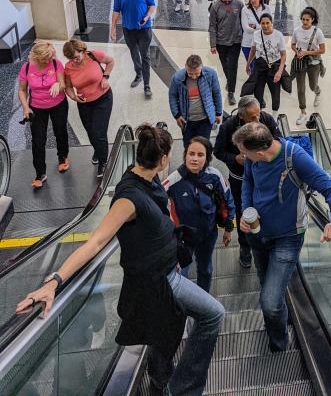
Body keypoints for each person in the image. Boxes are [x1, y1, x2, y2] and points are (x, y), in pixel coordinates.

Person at [16, 124, 225, 396]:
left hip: (165, 268)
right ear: (163, 160)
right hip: (161, 280)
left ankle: (160, 379)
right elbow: (96, 241)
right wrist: (54, 281)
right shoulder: (128, 199)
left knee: (163, 330)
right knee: (213, 315)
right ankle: (183, 388)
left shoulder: (145, 178)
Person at [236, 122, 331, 352]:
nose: (242, 156)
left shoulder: (295, 158)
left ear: (260, 153)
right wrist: (246, 210)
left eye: (244, 152)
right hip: (258, 235)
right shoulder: (252, 159)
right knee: (267, 287)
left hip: (288, 238)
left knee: (269, 302)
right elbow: (248, 181)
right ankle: (278, 322)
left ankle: (279, 344)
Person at [213, 96, 281, 268]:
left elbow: (279, 140)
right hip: (239, 178)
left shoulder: (266, 119)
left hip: (264, 176)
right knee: (243, 211)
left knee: (267, 207)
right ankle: (245, 247)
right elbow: (218, 151)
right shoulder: (228, 127)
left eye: (259, 114)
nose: (258, 119)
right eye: (253, 117)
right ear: (241, 116)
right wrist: (234, 158)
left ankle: (269, 240)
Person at [163, 136, 235, 292]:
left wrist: (229, 228)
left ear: (207, 158)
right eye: (191, 154)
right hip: (184, 238)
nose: (194, 159)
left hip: (208, 234)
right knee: (181, 273)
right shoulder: (174, 180)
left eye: (200, 155)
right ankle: (185, 302)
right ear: (185, 155)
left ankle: (204, 297)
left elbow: (228, 200)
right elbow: (155, 198)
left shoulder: (214, 176)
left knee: (205, 268)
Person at [18, 40, 69, 188]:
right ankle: (40, 173)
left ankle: (62, 157)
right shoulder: (27, 67)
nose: (47, 60)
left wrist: (58, 84)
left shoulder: (56, 63)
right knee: (38, 140)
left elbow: (63, 84)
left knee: (60, 132)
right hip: (37, 107)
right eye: (44, 58)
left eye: (49, 57)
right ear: (35, 56)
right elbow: (22, 90)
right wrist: (25, 107)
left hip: (58, 104)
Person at [63, 40, 114, 178]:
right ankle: (98, 150)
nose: (75, 60)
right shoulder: (68, 68)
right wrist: (74, 97)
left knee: (99, 132)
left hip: (103, 99)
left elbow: (111, 61)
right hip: (84, 104)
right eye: (71, 58)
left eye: (77, 56)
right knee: (91, 132)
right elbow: (68, 86)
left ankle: (103, 162)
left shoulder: (94, 55)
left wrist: (105, 77)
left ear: (82, 51)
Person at [111, 0, 155, 98]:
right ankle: (138, 74)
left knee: (145, 56)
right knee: (134, 53)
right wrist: (113, 28)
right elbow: (116, 10)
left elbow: (152, 4)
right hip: (128, 28)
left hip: (144, 28)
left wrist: (147, 16)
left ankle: (147, 85)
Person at [169, 54, 222, 144]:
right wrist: (177, 115)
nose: (194, 77)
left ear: (201, 66)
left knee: (203, 145)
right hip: (187, 121)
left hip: (205, 120)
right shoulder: (177, 78)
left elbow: (216, 93)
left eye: (197, 73)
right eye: (190, 73)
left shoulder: (211, 74)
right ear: (185, 66)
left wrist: (218, 113)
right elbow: (172, 96)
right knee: (188, 145)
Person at [209, 0, 244, 107]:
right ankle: (230, 82)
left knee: (232, 66)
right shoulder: (215, 7)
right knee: (225, 65)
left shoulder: (239, 4)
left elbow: (243, 21)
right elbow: (212, 26)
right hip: (221, 41)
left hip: (236, 40)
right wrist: (213, 44)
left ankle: (231, 92)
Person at [244, 14, 287, 112]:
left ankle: (275, 114)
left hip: (274, 65)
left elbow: (283, 55)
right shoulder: (256, 34)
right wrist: (248, 64)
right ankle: (259, 113)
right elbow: (253, 49)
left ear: (272, 23)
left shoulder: (278, 35)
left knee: (275, 92)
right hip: (260, 65)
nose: (265, 25)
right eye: (263, 23)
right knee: (257, 91)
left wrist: (279, 72)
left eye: (268, 23)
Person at [291, 7, 325, 126]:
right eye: (303, 19)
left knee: (312, 85)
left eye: (307, 20)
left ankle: (318, 92)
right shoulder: (297, 30)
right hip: (300, 62)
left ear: (312, 20)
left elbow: (322, 50)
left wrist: (307, 52)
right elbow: (293, 44)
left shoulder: (318, 32)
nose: (305, 22)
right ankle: (303, 112)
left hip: (313, 63)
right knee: (300, 88)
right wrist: (297, 51)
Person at [241, 0, 272, 72]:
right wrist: (262, 28)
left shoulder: (267, 8)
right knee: (252, 68)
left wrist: (255, 26)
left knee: (261, 68)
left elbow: (270, 26)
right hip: (248, 43)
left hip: (262, 43)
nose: (252, 0)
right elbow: (246, 28)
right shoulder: (245, 9)